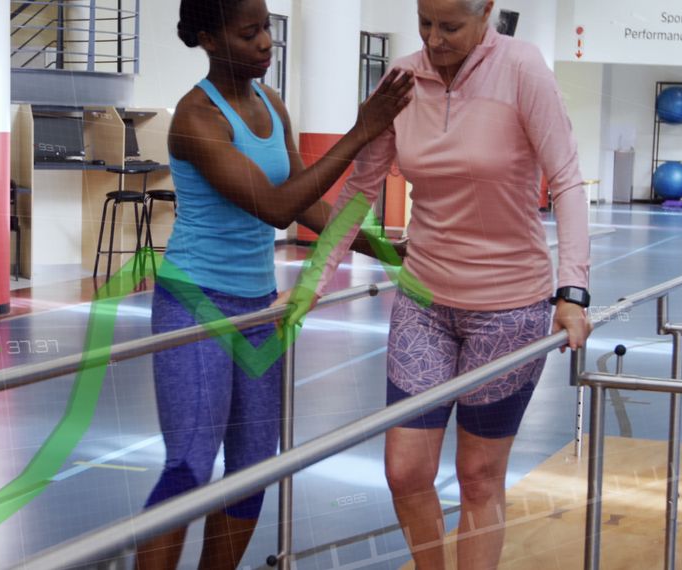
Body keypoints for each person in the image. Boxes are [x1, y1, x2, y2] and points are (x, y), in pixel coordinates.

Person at [297, 0, 592, 568]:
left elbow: (567, 181)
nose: (434, 39)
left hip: (508, 307)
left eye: (451, 26)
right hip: (425, 300)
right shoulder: (402, 80)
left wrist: (572, 290)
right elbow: (361, 190)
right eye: (425, 23)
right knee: (405, 471)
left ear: (487, 13)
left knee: (479, 476)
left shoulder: (523, 69)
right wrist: (313, 281)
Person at [135, 1, 414, 568]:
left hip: (257, 306)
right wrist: (361, 132)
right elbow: (275, 207)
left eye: (266, 27)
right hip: (195, 301)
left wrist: (386, 250)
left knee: (253, 464)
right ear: (210, 40)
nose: (267, 42)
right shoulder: (197, 119)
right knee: (190, 465)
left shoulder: (270, 102)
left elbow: (305, 203)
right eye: (250, 32)